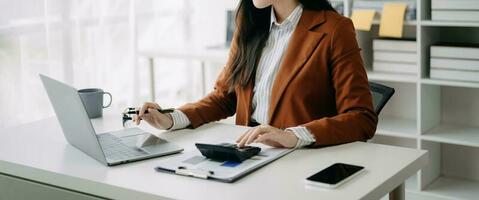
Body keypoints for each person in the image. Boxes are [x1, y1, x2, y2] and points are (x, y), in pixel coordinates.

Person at [134, 0, 378, 149]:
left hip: (300, 161)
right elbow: (225, 97)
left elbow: (361, 118)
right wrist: (171, 119)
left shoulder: (335, 29)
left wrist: (292, 136)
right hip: (248, 154)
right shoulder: (249, 23)